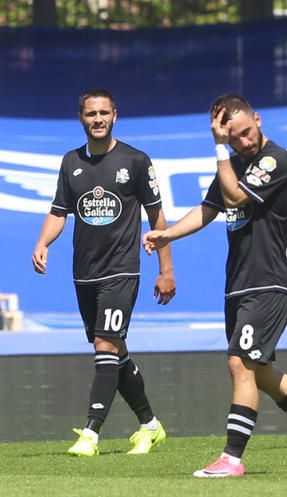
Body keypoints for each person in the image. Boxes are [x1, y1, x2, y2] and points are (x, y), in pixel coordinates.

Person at [143, 95, 287, 477]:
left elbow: (236, 197)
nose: (244, 143)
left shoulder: (276, 159)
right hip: (239, 281)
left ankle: (232, 458)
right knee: (260, 371)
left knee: (240, 363)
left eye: (246, 133)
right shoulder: (231, 165)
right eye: (234, 138)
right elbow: (209, 208)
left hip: (269, 279)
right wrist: (168, 235)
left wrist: (219, 147)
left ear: (257, 118)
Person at [31, 88, 175, 457]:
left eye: (104, 113)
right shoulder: (71, 162)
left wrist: (166, 269)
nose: (98, 119)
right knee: (115, 351)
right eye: (91, 113)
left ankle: (91, 434)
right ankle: (151, 425)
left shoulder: (136, 161)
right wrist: (43, 242)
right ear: (81, 118)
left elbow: (158, 219)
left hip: (122, 271)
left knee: (105, 345)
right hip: (84, 275)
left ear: (115, 116)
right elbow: (59, 211)